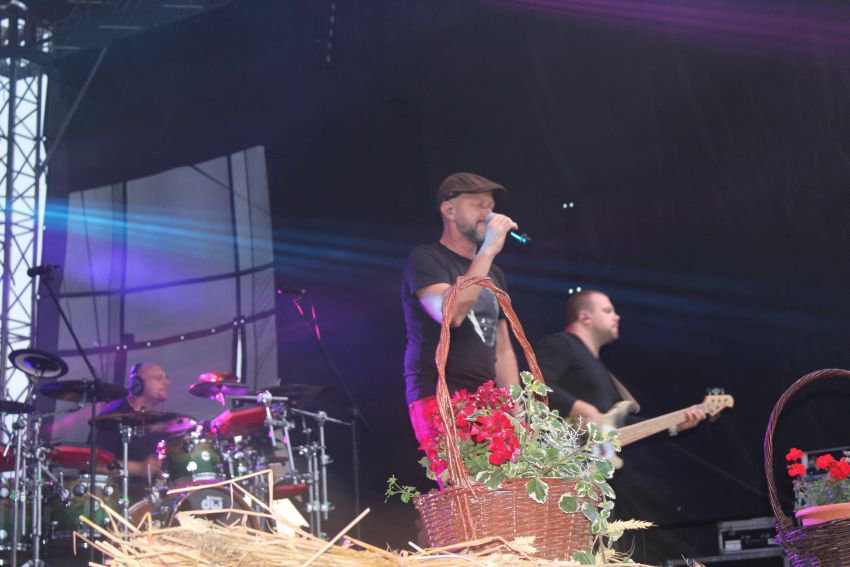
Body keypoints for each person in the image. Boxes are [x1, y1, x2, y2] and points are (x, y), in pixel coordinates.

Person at [402, 172, 521, 447]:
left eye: (490, 206)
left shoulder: (494, 273)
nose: (488, 214)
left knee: (510, 476)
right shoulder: (426, 259)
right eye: (478, 205)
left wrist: (515, 406)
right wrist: (488, 250)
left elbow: (502, 349)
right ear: (449, 210)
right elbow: (450, 314)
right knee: (463, 476)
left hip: (489, 400)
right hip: (441, 395)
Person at [535, 290, 705, 432]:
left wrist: (674, 425)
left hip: (596, 459)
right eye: (608, 311)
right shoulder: (562, 344)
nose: (617, 317)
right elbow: (535, 383)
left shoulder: (601, 370)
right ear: (585, 317)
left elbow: (620, 423)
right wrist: (584, 409)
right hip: (562, 455)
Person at [94, 362, 171, 478]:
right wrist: (138, 468)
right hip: (118, 488)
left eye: (166, 378)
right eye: (158, 378)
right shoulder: (114, 415)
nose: (166, 382)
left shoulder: (158, 420)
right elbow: (95, 464)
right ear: (137, 384)